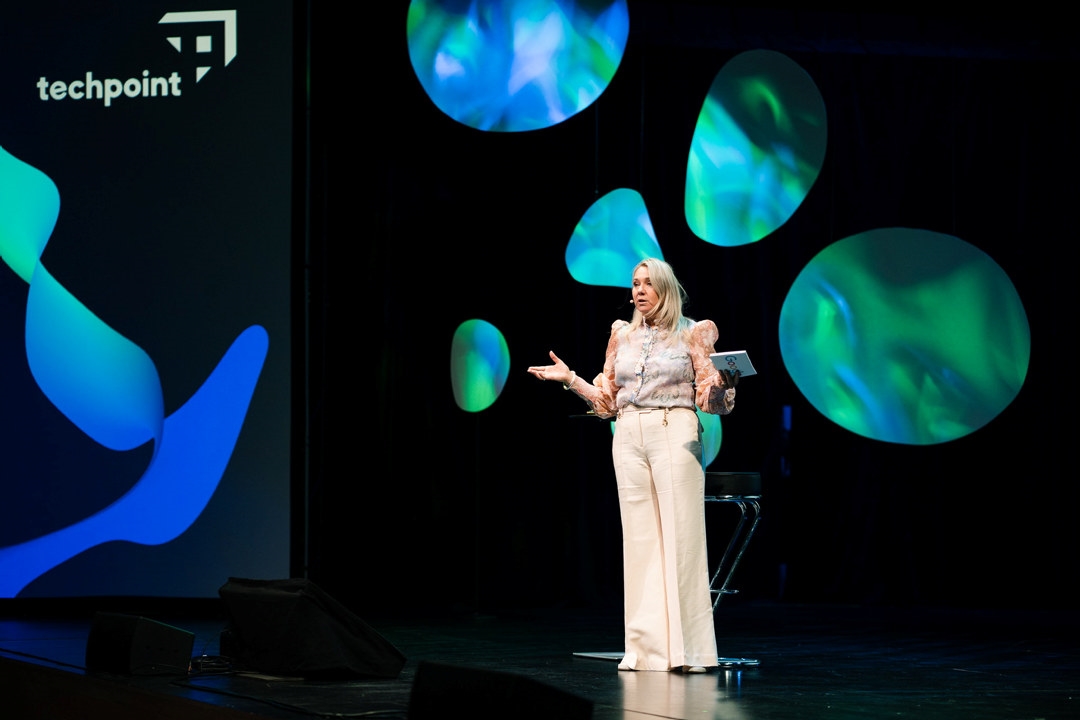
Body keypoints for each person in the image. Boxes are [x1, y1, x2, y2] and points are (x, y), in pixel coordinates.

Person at [528, 257, 738, 673]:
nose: (639, 291)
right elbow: (606, 402)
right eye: (635, 284)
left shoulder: (693, 332)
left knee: (682, 541)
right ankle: (646, 650)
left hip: (672, 428)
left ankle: (689, 653)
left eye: (648, 284)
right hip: (627, 434)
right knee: (640, 544)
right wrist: (570, 379)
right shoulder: (621, 335)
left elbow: (709, 401)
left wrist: (725, 383)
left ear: (666, 288)